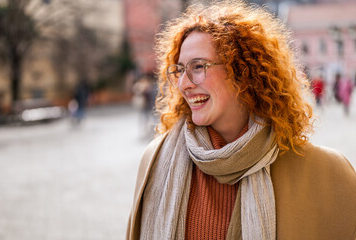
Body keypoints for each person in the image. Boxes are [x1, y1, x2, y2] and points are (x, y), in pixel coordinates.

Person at [127, 2, 356, 240]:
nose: (183, 83)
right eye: (180, 70)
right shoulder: (154, 161)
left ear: (242, 71)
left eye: (198, 66)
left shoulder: (327, 174)